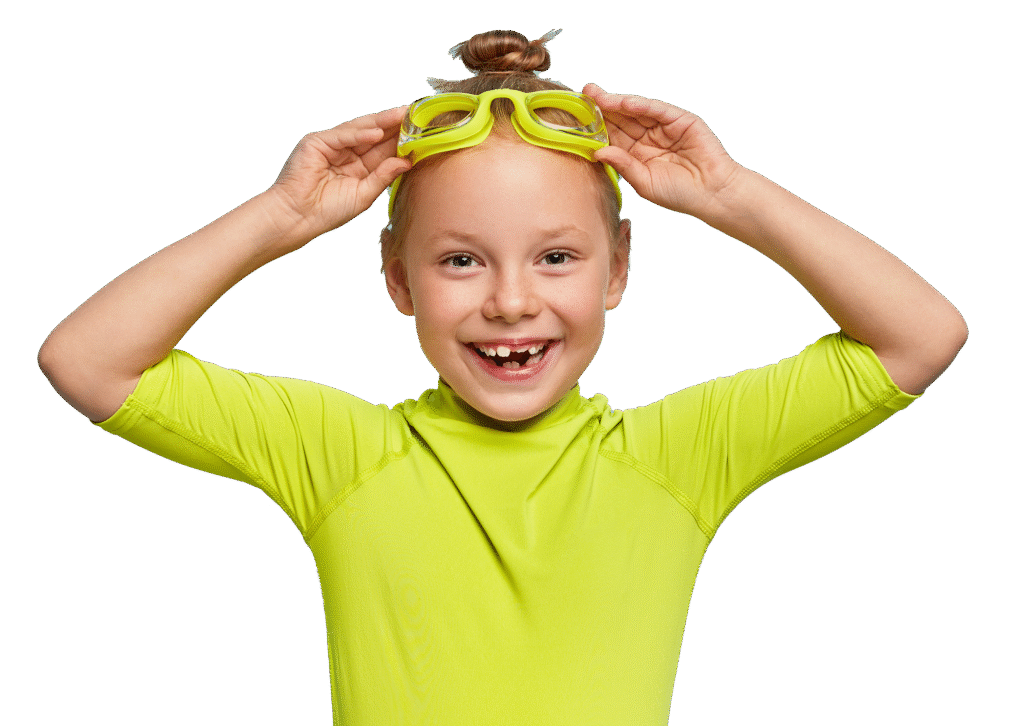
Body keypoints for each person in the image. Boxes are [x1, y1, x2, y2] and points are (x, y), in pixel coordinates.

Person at [37, 27, 967, 726]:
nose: (512, 302)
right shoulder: (343, 456)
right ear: (398, 279)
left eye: (556, 257)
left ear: (618, 269)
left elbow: (920, 337)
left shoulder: (676, 459)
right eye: (461, 261)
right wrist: (282, 215)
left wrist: (730, 194)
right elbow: (86, 359)